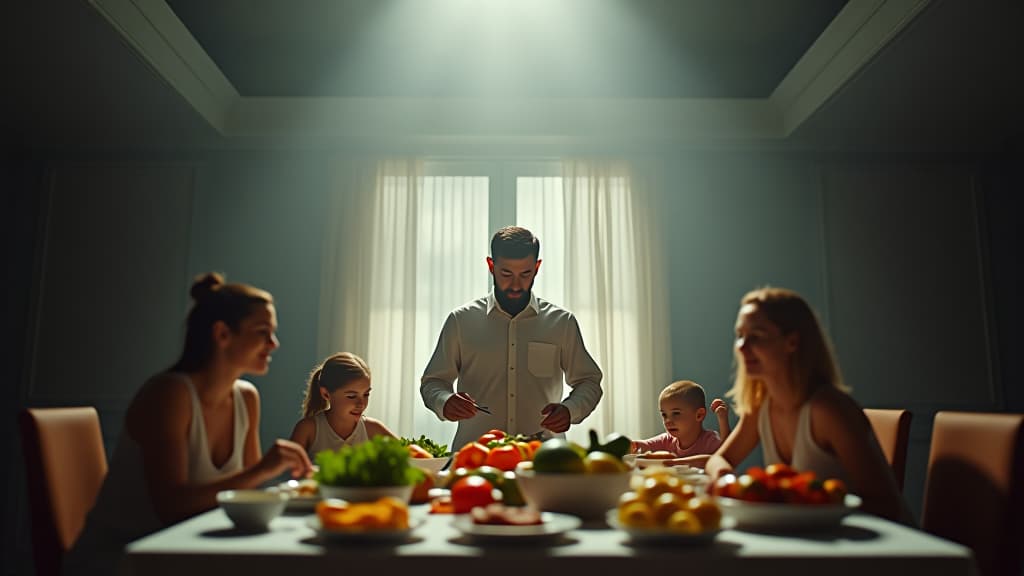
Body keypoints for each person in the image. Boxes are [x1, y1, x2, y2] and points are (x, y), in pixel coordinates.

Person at [64, 273, 313, 576]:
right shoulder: (169, 393)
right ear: (222, 334)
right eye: (263, 332)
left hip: (191, 553)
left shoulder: (246, 398)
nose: (273, 344)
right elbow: (170, 507)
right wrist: (263, 470)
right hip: (124, 560)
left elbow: (246, 494)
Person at [704, 287, 910, 522]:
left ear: (791, 342)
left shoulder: (828, 410)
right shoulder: (761, 406)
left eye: (757, 336)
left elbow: (887, 506)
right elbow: (719, 459)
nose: (742, 346)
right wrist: (724, 478)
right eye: (740, 335)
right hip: (814, 540)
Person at [421, 225, 603, 451]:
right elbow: (432, 383)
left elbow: (589, 382)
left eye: (525, 274)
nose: (516, 285)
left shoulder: (562, 323)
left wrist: (570, 409)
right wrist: (444, 401)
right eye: (506, 274)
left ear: (537, 267)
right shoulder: (461, 321)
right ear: (491, 266)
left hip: (543, 459)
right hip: (475, 459)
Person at [290, 351, 398, 457]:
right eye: (351, 396)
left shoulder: (374, 429)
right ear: (326, 394)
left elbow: (408, 455)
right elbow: (288, 471)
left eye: (366, 394)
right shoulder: (307, 429)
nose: (361, 404)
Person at [631, 380, 730, 468]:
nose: (668, 421)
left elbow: (725, 457)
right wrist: (628, 444)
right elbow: (641, 446)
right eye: (664, 415)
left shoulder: (709, 440)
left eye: (676, 413)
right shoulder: (666, 439)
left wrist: (722, 419)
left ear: (699, 415)